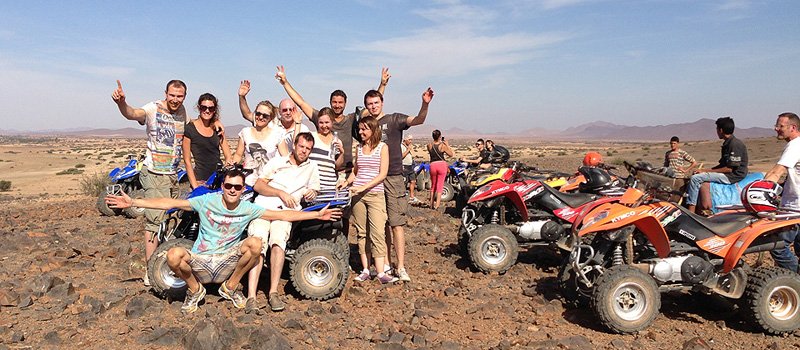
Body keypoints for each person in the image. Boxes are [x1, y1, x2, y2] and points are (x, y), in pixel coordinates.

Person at [105, 169, 340, 314]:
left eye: (237, 187)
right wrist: (134, 202)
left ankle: (230, 287)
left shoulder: (248, 208)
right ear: (222, 186)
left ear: (242, 188)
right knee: (173, 255)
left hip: (228, 262)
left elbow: (282, 215)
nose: (232, 190)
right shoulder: (207, 201)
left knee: (255, 244)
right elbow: (171, 203)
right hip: (202, 260)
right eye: (228, 186)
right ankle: (195, 290)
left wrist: (315, 215)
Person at [111, 79, 190, 286]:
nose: (175, 99)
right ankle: (151, 270)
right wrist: (121, 103)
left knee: (168, 220)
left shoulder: (182, 113)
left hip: (172, 174)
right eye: (172, 95)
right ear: (165, 93)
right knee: (154, 223)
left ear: (184, 97)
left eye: (179, 96)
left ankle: (161, 262)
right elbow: (133, 113)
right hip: (155, 173)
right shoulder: (153, 108)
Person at [364, 85, 435, 282]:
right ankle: (386, 264)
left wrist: (425, 104)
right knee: (381, 224)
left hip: (393, 177)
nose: (373, 106)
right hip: (374, 178)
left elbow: (419, 120)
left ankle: (401, 266)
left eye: (376, 102)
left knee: (396, 223)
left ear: (382, 102)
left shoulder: (394, 119)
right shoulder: (366, 125)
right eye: (369, 104)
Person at [247, 132, 320, 312]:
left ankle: (273, 292)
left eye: (308, 149)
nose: (304, 151)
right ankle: (251, 296)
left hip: (286, 213)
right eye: (301, 146)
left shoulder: (312, 167)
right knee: (258, 244)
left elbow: (315, 188)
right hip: (264, 208)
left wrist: (312, 192)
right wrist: (280, 193)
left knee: (278, 243)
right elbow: (258, 185)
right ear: (294, 145)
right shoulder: (277, 162)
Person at [274, 66, 389, 175]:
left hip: (347, 172)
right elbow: (301, 103)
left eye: (340, 102)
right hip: (324, 172)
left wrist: (382, 85)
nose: (337, 105)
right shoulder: (322, 118)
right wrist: (285, 83)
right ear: (330, 102)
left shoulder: (351, 119)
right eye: (334, 102)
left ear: (345, 103)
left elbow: (372, 106)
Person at [339, 116, 396, 283]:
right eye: (360, 129)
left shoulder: (382, 147)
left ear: (373, 130)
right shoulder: (359, 148)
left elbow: (382, 174)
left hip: (375, 195)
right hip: (358, 196)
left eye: (364, 129)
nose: (361, 132)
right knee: (362, 233)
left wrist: (363, 187)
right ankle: (365, 270)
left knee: (377, 232)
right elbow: (356, 171)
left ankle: (380, 272)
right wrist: (346, 182)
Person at [685, 117, 749, 214]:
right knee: (697, 175)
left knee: (695, 179)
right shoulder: (727, 143)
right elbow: (722, 165)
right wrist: (704, 171)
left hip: (733, 176)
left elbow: (729, 169)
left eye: (717, 129)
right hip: (729, 174)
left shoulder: (734, 144)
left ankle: (691, 210)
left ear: (721, 130)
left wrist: (705, 171)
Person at [766, 112, 800, 272]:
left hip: (794, 209)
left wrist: (759, 189)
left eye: (780, 126)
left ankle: (795, 278)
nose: (776, 128)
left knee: (777, 246)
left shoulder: (795, 145)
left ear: (792, 128)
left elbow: (776, 172)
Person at [182, 93, 233, 189]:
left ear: (215, 110)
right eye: (203, 107)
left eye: (211, 108)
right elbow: (187, 160)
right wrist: (195, 185)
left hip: (218, 179)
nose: (207, 111)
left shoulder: (217, 128)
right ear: (199, 108)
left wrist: (227, 168)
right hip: (200, 180)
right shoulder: (190, 129)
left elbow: (228, 156)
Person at [237, 81, 310, 143]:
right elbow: (247, 115)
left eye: (291, 110)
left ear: (296, 110)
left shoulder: (303, 129)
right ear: (279, 112)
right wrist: (242, 97)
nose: (288, 113)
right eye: (284, 110)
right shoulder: (271, 123)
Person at [231, 100, 283, 186]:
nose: (260, 117)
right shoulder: (245, 132)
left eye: (265, 115)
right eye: (258, 114)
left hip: (269, 182)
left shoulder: (278, 134)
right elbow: (238, 155)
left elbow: (285, 158)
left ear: (270, 117)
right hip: (248, 182)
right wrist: (232, 164)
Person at [307, 107, 345, 198]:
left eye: (327, 122)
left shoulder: (336, 141)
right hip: (312, 187)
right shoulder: (312, 137)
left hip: (329, 187)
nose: (324, 126)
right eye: (321, 123)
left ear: (332, 122)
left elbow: (336, 166)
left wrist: (341, 153)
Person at [427, 130, 454, 210]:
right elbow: (451, 154)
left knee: (433, 186)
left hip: (432, 165)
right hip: (441, 165)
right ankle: (437, 205)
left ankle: (431, 204)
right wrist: (447, 145)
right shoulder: (442, 146)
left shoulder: (429, 145)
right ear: (440, 136)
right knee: (440, 185)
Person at [402, 134, 420, 204]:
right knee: (404, 182)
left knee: (413, 181)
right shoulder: (401, 146)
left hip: (410, 166)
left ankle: (412, 196)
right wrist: (408, 150)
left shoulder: (408, 146)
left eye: (411, 140)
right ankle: (403, 197)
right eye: (409, 140)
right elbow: (401, 156)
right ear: (405, 140)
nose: (410, 141)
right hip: (404, 166)